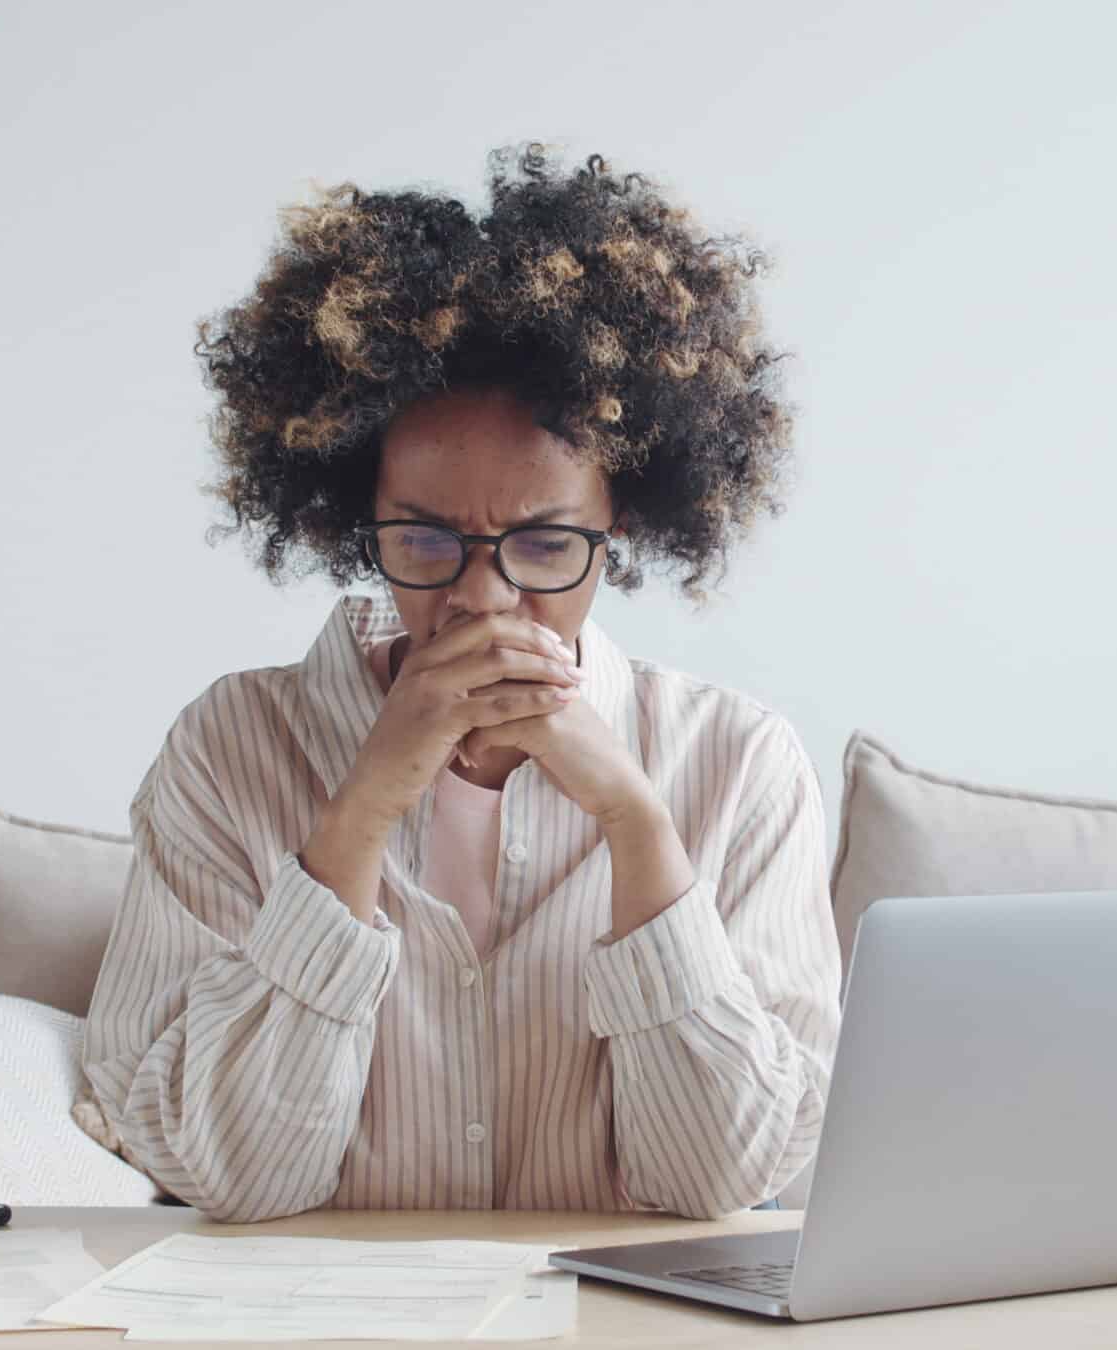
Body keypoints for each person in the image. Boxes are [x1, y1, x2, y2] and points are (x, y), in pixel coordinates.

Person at [72, 144, 842, 1223]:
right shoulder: (230, 744)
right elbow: (229, 1180)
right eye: (428, 541)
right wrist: (362, 809)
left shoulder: (735, 761)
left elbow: (715, 1184)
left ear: (618, 525)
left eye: (541, 546)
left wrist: (633, 820)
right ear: (357, 515)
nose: (483, 602)